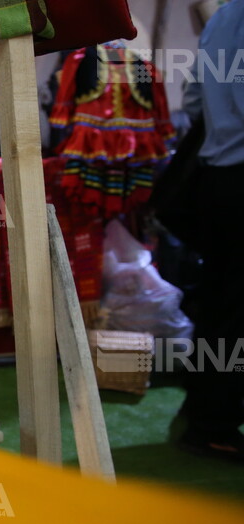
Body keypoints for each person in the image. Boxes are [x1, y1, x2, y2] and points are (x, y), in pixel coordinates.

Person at [176, 0, 244, 461]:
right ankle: (212, 422)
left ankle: (204, 411)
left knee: (221, 301)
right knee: (235, 309)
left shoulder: (222, 16)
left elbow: (194, 100)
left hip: (217, 180)